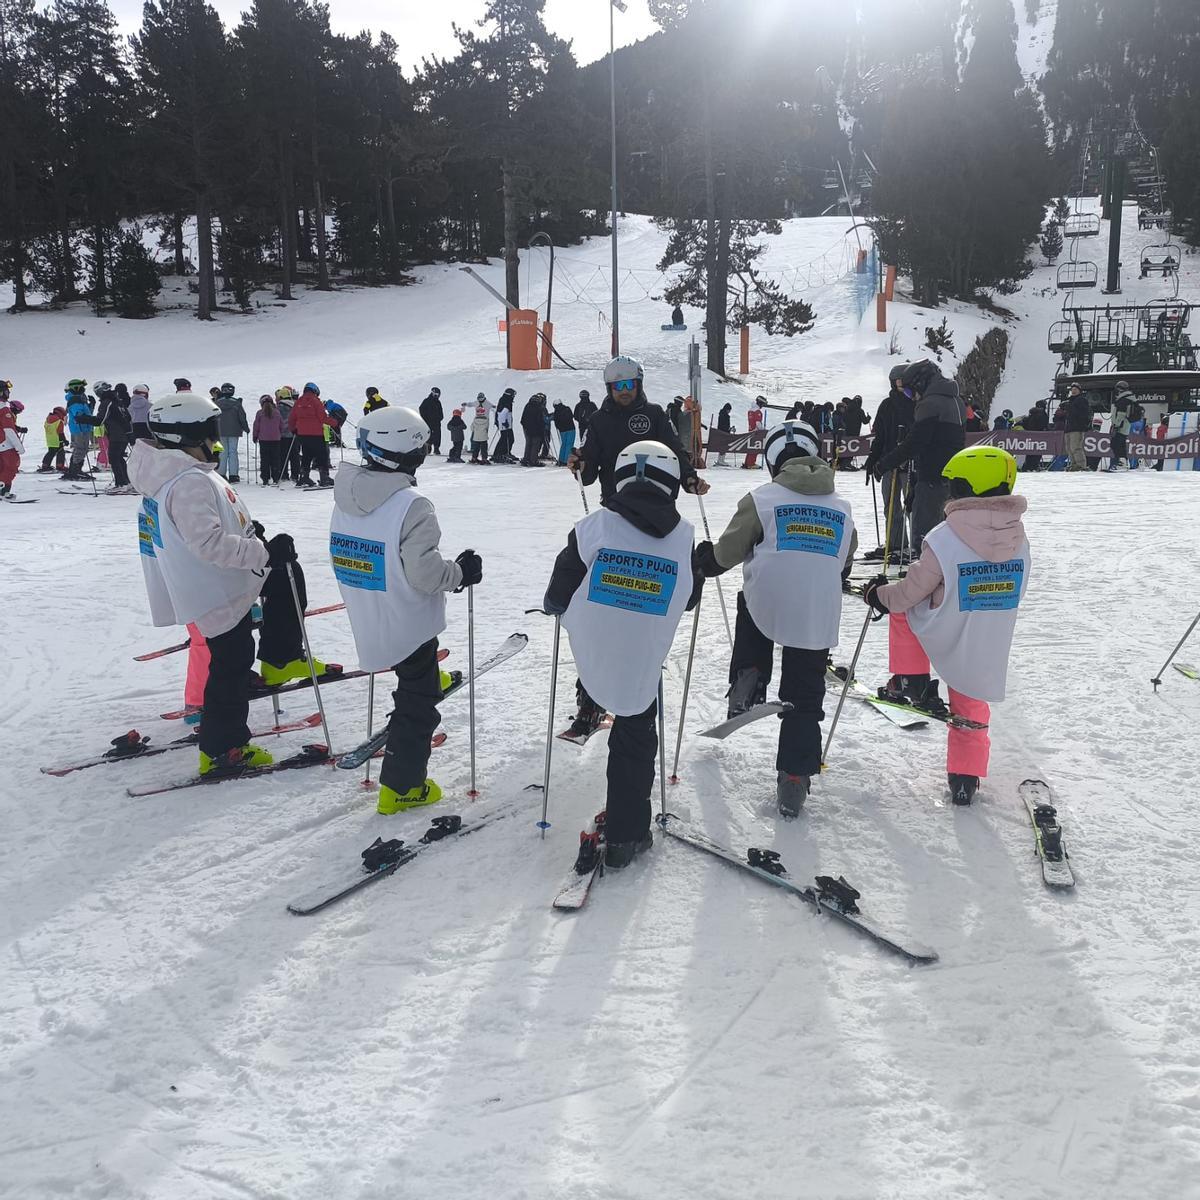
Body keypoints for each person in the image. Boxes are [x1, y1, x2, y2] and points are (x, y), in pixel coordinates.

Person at [544, 440, 701, 866]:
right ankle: (627, 834)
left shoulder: (593, 526)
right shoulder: (684, 535)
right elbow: (689, 599)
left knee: (604, 660)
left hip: (592, 645)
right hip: (642, 652)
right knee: (636, 726)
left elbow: (557, 594)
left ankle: (590, 701)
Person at [695, 420, 857, 816]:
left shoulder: (762, 498)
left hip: (767, 603)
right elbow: (845, 561)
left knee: (753, 599)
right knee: (805, 690)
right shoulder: (841, 506)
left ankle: (749, 674)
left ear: (771, 461)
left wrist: (705, 560)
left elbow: (727, 554)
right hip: (816, 613)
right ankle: (795, 776)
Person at [329, 406, 481, 815]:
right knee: (418, 701)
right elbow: (425, 575)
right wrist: (461, 573)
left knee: (414, 664)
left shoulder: (347, 495)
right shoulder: (411, 504)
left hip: (369, 605)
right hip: (405, 615)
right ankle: (401, 787)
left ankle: (424, 674)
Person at [861, 447, 1030, 806]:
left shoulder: (945, 537)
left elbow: (909, 593)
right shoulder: (1017, 538)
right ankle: (965, 777)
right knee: (971, 697)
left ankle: (911, 678)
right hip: (987, 635)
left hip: (944, 627)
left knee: (904, 609)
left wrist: (878, 596)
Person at [128, 391, 276, 777]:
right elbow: (208, 544)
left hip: (212, 589)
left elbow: (201, 527)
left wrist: (248, 532)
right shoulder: (186, 481)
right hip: (217, 593)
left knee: (230, 665)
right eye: (210, 430)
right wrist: (262, 552)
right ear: (187, 435)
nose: (215, 439)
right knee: (229, 669)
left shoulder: (173, 474)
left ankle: (224, 741)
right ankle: (222, 748)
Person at [567, 356, 707, 501]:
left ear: (639, 384)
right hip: (615, 501)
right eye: (618, 386)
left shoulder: (655, 414)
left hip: (656, 501)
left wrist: (689, 478)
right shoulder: (598, 420)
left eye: (630, 384)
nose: (624, 390)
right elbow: (588, 471)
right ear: (609, 388)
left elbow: (675, 450)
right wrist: (581, 468)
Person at [872, 359, 965, 555]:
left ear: (920, 383)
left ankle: (926, 571)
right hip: (951, 475)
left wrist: (884, 463)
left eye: (909, 391)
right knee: (944, 531)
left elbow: (915, 443)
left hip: (932, 477)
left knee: (925, 537)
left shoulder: (930, 403)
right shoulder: (955, 400)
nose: (911, 397)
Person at [862, 364, 915, 562]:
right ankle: (895, 543)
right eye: (897, 381)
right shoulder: (887, 404)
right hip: (888, 462)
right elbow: (880, 436)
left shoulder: (916, 402)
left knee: (912, 504)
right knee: (891, 505)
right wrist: (873, 458)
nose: (901, 384)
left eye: (903, 380)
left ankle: (917, 544)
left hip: (909, 462)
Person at [288, 382, 335, 487]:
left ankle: (304, 477)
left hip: (302, 434)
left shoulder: (298, 402)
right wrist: (335, 423)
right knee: (322, 455)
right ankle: (324, 477)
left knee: (306, 455)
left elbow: (291, 418)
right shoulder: (316, 401)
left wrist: (293, 429)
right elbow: (323, 417)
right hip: (317, 434)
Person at [96, 384, 134, 494]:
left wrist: (84, 419)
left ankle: (121, 484)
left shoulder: (107, 402)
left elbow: (100, 419)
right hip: (124, 434)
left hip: (116, 434)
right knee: (119, 458)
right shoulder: (118, 401)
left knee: (114, 458)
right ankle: (127, 482)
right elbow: (128, 417)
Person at [64, 379, 99, 481]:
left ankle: (73, 470)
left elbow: (87, 413)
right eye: (82, 387)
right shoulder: (75, 399)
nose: (84, 389)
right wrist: (87, 418)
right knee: (81, 448)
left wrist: (91, 405)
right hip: (80, 428)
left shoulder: (80, 398)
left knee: (81, 448)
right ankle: (76, 471)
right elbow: (78, 414)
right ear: (76, 388)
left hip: (83, 427)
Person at [213, 383, 248, 482]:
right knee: (233, 452)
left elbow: (213, 417)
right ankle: (234, 475)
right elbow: (242, 417)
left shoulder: (216, 403)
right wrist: (246, 428)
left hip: (220, 431)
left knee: (222, 452)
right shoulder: (236, 403)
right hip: (234, 431)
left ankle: (221, 473)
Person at [253, 394, 284, 485]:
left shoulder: (259, 413)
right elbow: (281, 425)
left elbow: (256, 426)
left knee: (264, 459)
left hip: (263, 439)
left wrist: (255, 436)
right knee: (275, 459)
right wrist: (279, 434)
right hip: (275, 439)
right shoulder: (277, 412)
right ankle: (276, 477)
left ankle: (265, 478)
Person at [0, 392, 25, 500]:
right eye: (6, 391)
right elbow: (9, 429)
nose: (8, 393)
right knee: (11, 467)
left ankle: (4, 492)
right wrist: (19, 447)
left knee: (2, 468)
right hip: (6, 444)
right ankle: (3, 490)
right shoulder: (4, 410)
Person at [1065, 384, 1090, 471]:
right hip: (1069, 427)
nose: (1073, 391)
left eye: (1075, 389)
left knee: (1076, 447)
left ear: (1079, 390)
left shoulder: (1081, 400)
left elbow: (1084, 414)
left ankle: (1080, 465)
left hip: (1077, 428)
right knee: (1069, 448)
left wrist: (1082, 425)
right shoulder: (1070, 401)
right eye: (1072, 389)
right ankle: (1074, 464)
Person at [1108, 382, 1133, 471]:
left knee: (1116, 445)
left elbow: (1121, 414)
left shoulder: (1123, 400)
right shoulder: (1128, 398)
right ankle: (1121, 463)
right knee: (1120, 445)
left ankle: (1119, 464)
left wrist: (1116, 425)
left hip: (1120, 426)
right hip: (1125, 426)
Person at [39, 405, 68, 473]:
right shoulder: (59, 421)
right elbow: (60, 432)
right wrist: (64, 440)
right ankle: (60, 466)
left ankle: (45, 465)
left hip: (50, 440)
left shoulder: (47, 420)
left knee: (51, 453)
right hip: (57, 440)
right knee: (61, 452)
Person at [520, 393, 547, 467]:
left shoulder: (527, 406)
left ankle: (526, 459)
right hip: (536, 430)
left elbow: (523, 419)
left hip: (527, 429)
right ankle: (533, 460)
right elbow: (540, 420)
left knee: (528, 444)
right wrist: (542, 428)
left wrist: (525, 426)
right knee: (535, 445)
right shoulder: (539, 407)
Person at [418, 387, 444, 455]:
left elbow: (441, 412)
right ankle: (428, 448)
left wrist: (440, 418)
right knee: (428, 435)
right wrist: (425, 418)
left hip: (436, 422)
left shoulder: (438, 402)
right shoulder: (426, 401)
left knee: (437, 435)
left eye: (438, 394)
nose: (437, 396)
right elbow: (421, 409)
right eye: (436, 394)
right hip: (428, 422)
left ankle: (436, 448)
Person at [743, 396, 767, 469]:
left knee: (750, 447)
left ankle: (747, 462)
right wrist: (763, 430)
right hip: (756, 432)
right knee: (755, 448)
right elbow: (758, 423)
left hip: (750, 431)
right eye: (763, 404)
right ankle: (751, 463)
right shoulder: (757, 411)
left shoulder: (750, 410)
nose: (762, 406)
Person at [552, 400, 576, 465]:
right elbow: (572, 416)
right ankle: (566, 460)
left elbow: (556, 423)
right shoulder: (567, 409)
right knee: (569, 444)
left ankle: (561, 459)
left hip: (562, 431)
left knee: (564, 444)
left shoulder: (556, 412)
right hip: (571, 429)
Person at [494, 394, 516, 463]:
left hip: (505, 424)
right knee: (506, 440)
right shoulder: (507, 402)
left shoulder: (504, 400)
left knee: (507, 439)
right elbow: (502, 414)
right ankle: (500, 454)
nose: (513, 397)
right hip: (505, 425)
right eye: (513, 395)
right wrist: (504, 422)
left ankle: (503, 453)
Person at [715, 402, 734, 467]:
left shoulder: (721, 414)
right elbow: (724, 425)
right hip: (724, 433)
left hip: (720, 432)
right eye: (729, 410)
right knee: (723, 447)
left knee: (722, 447)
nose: (729, 411)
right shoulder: (725, 416)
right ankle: (721, 460)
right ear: (727, 409)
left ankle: (720, 460)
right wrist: (729, 429)